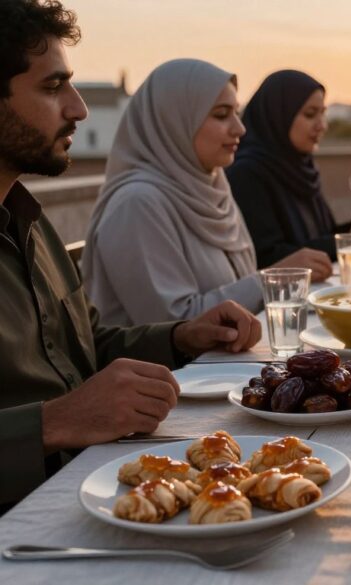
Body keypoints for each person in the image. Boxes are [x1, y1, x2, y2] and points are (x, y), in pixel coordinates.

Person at [0, 0, 262, 511]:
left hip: (91, 484)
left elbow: (84, 344)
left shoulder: (29, 222)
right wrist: (53, 423)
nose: (78, 108)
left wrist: (181, 335)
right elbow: (67, 405)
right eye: (53, 87)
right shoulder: (137, 201)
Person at [81, 59, 332, 327]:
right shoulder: (137, 204)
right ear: (174, 120)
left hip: (226, 361)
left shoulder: (213, 189)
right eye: (222, 115)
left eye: (236, 112)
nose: (240, 128)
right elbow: (176, 327)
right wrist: (277, 277)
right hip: (177, 369)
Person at [226, 70, 351, 268]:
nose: (322, 125)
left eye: (323, 113)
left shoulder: (302, 169)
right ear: (278, 115)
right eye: (310, 114)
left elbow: (322, 236)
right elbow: (267, 257)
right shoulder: (247, 173)